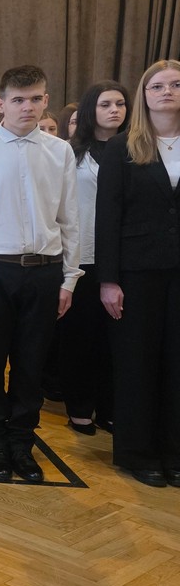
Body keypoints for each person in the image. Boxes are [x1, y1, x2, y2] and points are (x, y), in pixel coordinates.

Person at [0, 65, 80, 482]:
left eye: (36, 98)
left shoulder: (60, 152)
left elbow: (70, 219)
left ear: (46, 101)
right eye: (19, 99)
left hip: (44, 270)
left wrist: (69, 278)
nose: (28, 106)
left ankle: (22, 442)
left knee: (31, 362)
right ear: (2, 104)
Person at [96, 60, 180, 487]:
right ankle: (137, 452)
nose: (167, 92)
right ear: (144, 95)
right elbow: (108, 216)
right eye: (157, 86)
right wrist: (108, 279)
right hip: (136, 271)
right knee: (137, 362)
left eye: (176, 84)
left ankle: (174, 450)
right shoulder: (122, 147)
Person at [59, 80, 128, 435]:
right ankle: (80, 406)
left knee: (118, 339)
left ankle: (111, 406)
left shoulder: (136, 149)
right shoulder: (70, 152)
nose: (114, 110)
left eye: (120, 104)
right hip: (82, 254)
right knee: (83, 337)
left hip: (125, 256)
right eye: (105, 104)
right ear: (90, 110)